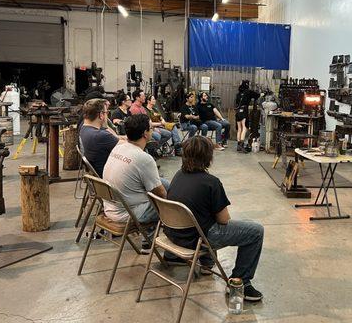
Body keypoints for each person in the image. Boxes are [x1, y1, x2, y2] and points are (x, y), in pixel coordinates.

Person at [165, 136, 264, 301]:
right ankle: (240, 282)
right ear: (208, 157)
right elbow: (224, 219)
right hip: (195, 238)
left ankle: (206, 263)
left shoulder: (178, 175)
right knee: (255, 232)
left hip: (174, 234)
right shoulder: (211, 182)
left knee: (204, 215)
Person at [102, 114, 170, 252]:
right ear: (145, 133)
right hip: (128, 213)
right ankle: (154, 242)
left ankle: (149, 238)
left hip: (110, 206)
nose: (152, 131)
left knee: (165, 183)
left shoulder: (118, 147)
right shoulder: (144, 159)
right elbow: (161, 193)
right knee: (173, 203)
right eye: (151, 128)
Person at [78, 99, 119, 177]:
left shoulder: (84, 128)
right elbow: (128, 146)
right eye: (106, 112)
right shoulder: (101, 135)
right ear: (101, 115)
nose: (107, 115)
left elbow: (117, 138)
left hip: (98, 175)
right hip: (110, 177)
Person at [235, 80, 261, 153]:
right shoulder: (248, 92)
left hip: (238, 111)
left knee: (239, 129)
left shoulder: (238, 94)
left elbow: (236, 103)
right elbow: (257, 95)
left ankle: (238, 145)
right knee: (245, 128)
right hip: (244, 111)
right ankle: (242, 145)